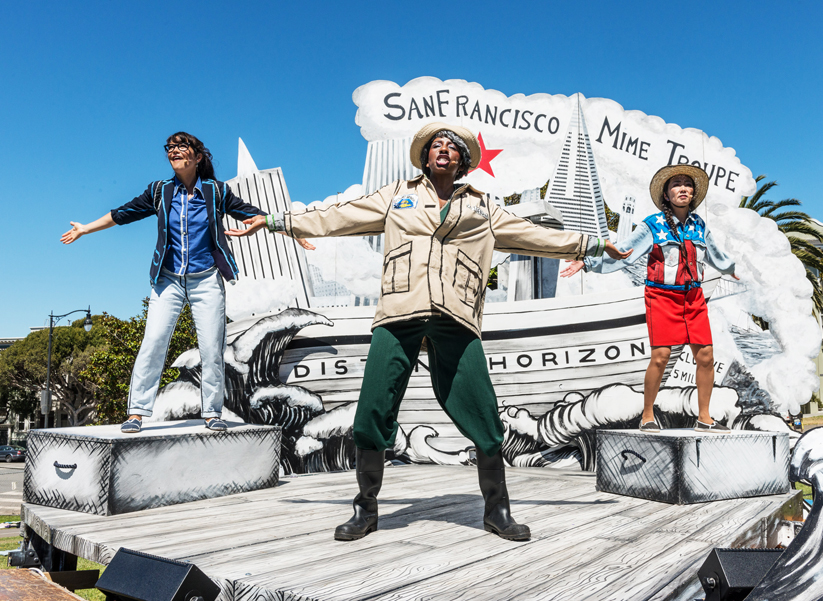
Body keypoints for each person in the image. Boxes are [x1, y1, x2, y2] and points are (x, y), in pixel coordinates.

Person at [229, 122, 631, 541]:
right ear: (425, 158)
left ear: (463, 161)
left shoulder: (483, 208)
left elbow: (535, 236)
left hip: (455, 317)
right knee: (372, 412)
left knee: (484, 413)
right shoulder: (396, 196)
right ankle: (365, 508)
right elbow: (336, 217)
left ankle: (498, 509)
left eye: (451, 147)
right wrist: (275, 221)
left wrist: (594, 245)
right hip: (399, 313)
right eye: (435, 145)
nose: (442, 150)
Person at [61, 132, 306, 433]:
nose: (174, 151)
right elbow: (121, 214)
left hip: (206, 280)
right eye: (170, 147)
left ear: (198, 157)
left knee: (211, 348)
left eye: (182, 146)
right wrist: (85, 229)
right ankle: (137, 412)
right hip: (168, 281)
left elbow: (251, 215)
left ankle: (212, 412)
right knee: (153, 342)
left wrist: (290, 229)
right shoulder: (159, 191)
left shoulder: (215, 191)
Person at [561, 164, 737, 434]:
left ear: (693, 194)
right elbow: (623, 252)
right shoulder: (652, 224)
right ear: (666, 194)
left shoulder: (699, 226)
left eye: (687, 185)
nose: (683, 188)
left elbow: (716, 254)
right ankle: (647, 414)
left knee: (705, 356)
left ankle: (704, 418)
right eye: (676, 184)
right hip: (662, 296)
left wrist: (730, 269)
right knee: (661, 356)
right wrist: (587, 263)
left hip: (694, 297)